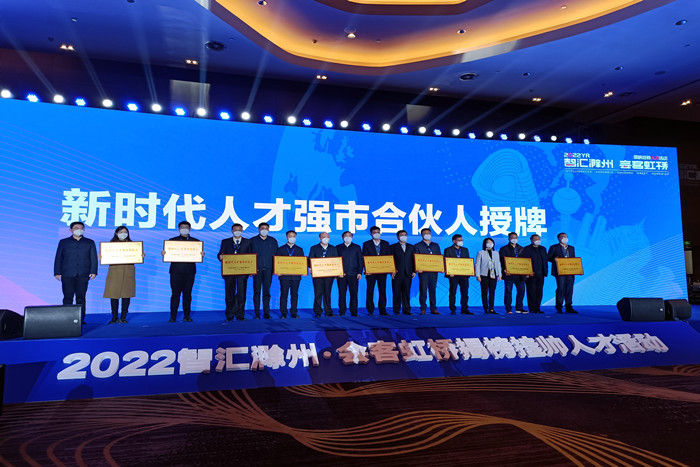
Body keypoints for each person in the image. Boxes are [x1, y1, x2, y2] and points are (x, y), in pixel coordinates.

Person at [54, 221, 98, 324]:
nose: (79, 230)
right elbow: (58, 257)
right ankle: (67, 318)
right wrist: (57, 272)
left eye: (81, 228)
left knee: (81, 298)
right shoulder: (63, 242)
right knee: (67, 297)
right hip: (67, 273)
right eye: (76, 228)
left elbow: (93, 258)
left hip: (83, 273)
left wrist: (93, 271)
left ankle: (80, 318)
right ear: (71, 230)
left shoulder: (90, 242)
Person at [103, 226, 142, 323]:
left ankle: (124, 316)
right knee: (113, 294)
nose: (123, 234)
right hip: (115, 272)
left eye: (125, 232)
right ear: (116, 233)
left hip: (128, 271)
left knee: (126, 294)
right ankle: (114, 317)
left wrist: (140, 256)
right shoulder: (110, 245)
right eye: (121, 232)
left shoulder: (133, 245)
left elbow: (136, 257)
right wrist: (102, 257)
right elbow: (106, 257)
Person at [165, 220, 203, 322]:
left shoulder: (196, 242)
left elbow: (197, 256)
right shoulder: (172, 241)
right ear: (179, 229)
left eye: (186, 227)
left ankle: (187, 316)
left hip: (189, 272)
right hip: (175, 272)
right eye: (182, 227)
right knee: (175, 294)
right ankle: (173, 316)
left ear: (189, 229)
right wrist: (165, 253)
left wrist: (200, 255)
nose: (184, 229)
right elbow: (168, 254)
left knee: (187, 294)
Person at [217, 223, 252, 321]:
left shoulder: (248, 242)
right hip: (229, 272)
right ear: (232, 231)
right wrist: (220, 257)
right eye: (235, 229)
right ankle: (229, 315)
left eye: (239, 230)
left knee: (241, 295)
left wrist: (251, 268)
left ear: (242, 231)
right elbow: (220, 254)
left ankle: (240, 314)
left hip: (243, 272)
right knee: (229, 294)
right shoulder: (225, 242)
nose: (237, 231)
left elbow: (251, 256)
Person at [250, 222, 278, 319]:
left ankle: (267, 313)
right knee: (256, 292)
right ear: (259, 229)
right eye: (262, 228)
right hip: (256, 270)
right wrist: (251, 268)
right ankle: (257, 313)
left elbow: (277, 257)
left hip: (268, 270)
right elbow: (249, 256)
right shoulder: (252, 240)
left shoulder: (273, 241)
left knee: (267, 292)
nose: (264, 230)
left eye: (266, 228)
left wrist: (276, 269)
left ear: (268, 230)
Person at [362, 226, 391, 316]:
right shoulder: (366, 244)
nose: (376, 234)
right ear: (371, 234)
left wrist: (390, 269)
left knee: (382, 290)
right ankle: (370, 310)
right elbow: (364, 257)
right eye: (374, 232)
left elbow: (389, 257)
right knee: (370, 290)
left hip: (382, 271)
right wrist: (366, 269)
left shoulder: (386, 243)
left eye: (378, 232)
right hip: (371, 271)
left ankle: (382, 309)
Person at [308, 232, 339, 317]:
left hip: (329, 275)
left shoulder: (333, 248)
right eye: (324, 237)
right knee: (318, 293)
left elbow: (336, 261)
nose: (326, 238)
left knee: (327, 293)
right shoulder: (314, 248)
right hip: (317, 275)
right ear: (320, 238)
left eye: (328, 237)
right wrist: (312, 268)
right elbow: (310, 260)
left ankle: (328, 311)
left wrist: (336, 273)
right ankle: (318, 311)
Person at [275, 230, 304, 319]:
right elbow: (277, 262)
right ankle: (283, 313)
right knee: (284, 294)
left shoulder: (299, 249)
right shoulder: (280, 249)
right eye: (290, 236)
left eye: (293, 236)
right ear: (286, 237)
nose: (292, 238)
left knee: (294, 295)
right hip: (284, 276)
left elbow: (302, 262)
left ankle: (294, 312)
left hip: (296, 277)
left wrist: (303, 271)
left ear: (296, 237)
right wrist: (277, 271)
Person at [548, 232, 578, 314]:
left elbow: (573, 259)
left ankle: (568, 306)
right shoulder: (554, 247)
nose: (565, 238)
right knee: (561, 288)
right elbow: (548, 257)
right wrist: (554, 259)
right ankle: (559, 306)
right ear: (559, 238)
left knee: (569, 289)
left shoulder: (571, 248)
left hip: (570, 271)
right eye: (563, 237)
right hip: (559, 271)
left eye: (566, 237)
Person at [414, 227, 441, 315]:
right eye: (425, 233)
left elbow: (439, 258)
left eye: (429, 233)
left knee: (433, 290)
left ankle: (433, 308)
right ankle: (423, 308)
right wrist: (417, 268)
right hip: (423, 272)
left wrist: (441, 268)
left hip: (434, 271)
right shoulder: (417, 246)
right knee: (423, 290)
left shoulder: (435, 245)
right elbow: (415, 258)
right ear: (422, 235)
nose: (427, 235)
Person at [443, 234, 472, 315]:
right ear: (454, 241)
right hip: (453, 275)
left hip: (464, 274)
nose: (461, 241)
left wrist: (470, 271)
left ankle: (464, 309)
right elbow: (446, 261)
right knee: (453, 292)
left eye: (461, 240)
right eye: (459, 240)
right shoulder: (448, 250)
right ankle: (452, 309)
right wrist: (449, 272)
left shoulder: (465, 250)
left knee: (465, 293)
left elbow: (468, 262)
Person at [337, 231, 363, 316]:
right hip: (342, 275)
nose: (348, 237)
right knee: (342, 294)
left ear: (352, 237)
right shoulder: (338, 247)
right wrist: (337, 273)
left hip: (354, 274)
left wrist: (359, 272)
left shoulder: (357, 247)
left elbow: (360, 260)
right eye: (346, 236)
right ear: (342, 238)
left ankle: (354, 312)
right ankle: (342, 311)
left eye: (349, 236)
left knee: (354, 294)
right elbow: (335, 261)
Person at [499, 232, 526, 314]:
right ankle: (508, 309)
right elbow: (501, 261)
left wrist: (527, 271)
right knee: (508, 291)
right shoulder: (504, 249)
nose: (514, 239)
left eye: (515, 237)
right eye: (512, 237)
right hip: (509, 274)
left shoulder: (521, 248)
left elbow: (525, 261)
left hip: (520, 274)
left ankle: (519, 308)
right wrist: (505, 269)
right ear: (509, 239)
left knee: (521, 291)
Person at [521, 234, 548, 314]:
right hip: (531, 274)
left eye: (539, 239)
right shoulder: (526, 249)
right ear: (531, 240)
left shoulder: (543, 249)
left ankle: (538, 307)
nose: (538, 241)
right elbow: (524, 262)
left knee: (539, 291)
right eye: (536, 239)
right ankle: (532, 308)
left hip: (541, 273)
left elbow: (545, 260)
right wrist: (527, 272)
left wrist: (545, 271)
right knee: (531, 291)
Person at [391, 230, 415, 315]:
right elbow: (390, 260)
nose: (403, 236)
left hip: (408, 273)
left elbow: (414, 260)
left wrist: (414, 271)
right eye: (401, 235)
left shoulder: (411, 247)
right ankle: (396, 310)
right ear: (398, 237)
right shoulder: (393, 247)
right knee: (396, 292)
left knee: (406, 292)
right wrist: (391, 271)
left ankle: (407, 310)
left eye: (405, 235)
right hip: (396, 273)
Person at [475, 237, 501, 314]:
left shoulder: (496, 253)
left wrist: (499, 274)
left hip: (493, 275)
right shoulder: (481, 252)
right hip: (484, 274)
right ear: (485, 244)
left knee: (492, 292)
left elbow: (498, 264)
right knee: (484, 292)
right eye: (488, 242)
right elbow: (477, 264)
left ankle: (491, 308)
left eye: (491, 242)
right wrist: (478, 275)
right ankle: (486, 308)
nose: (490, 244)